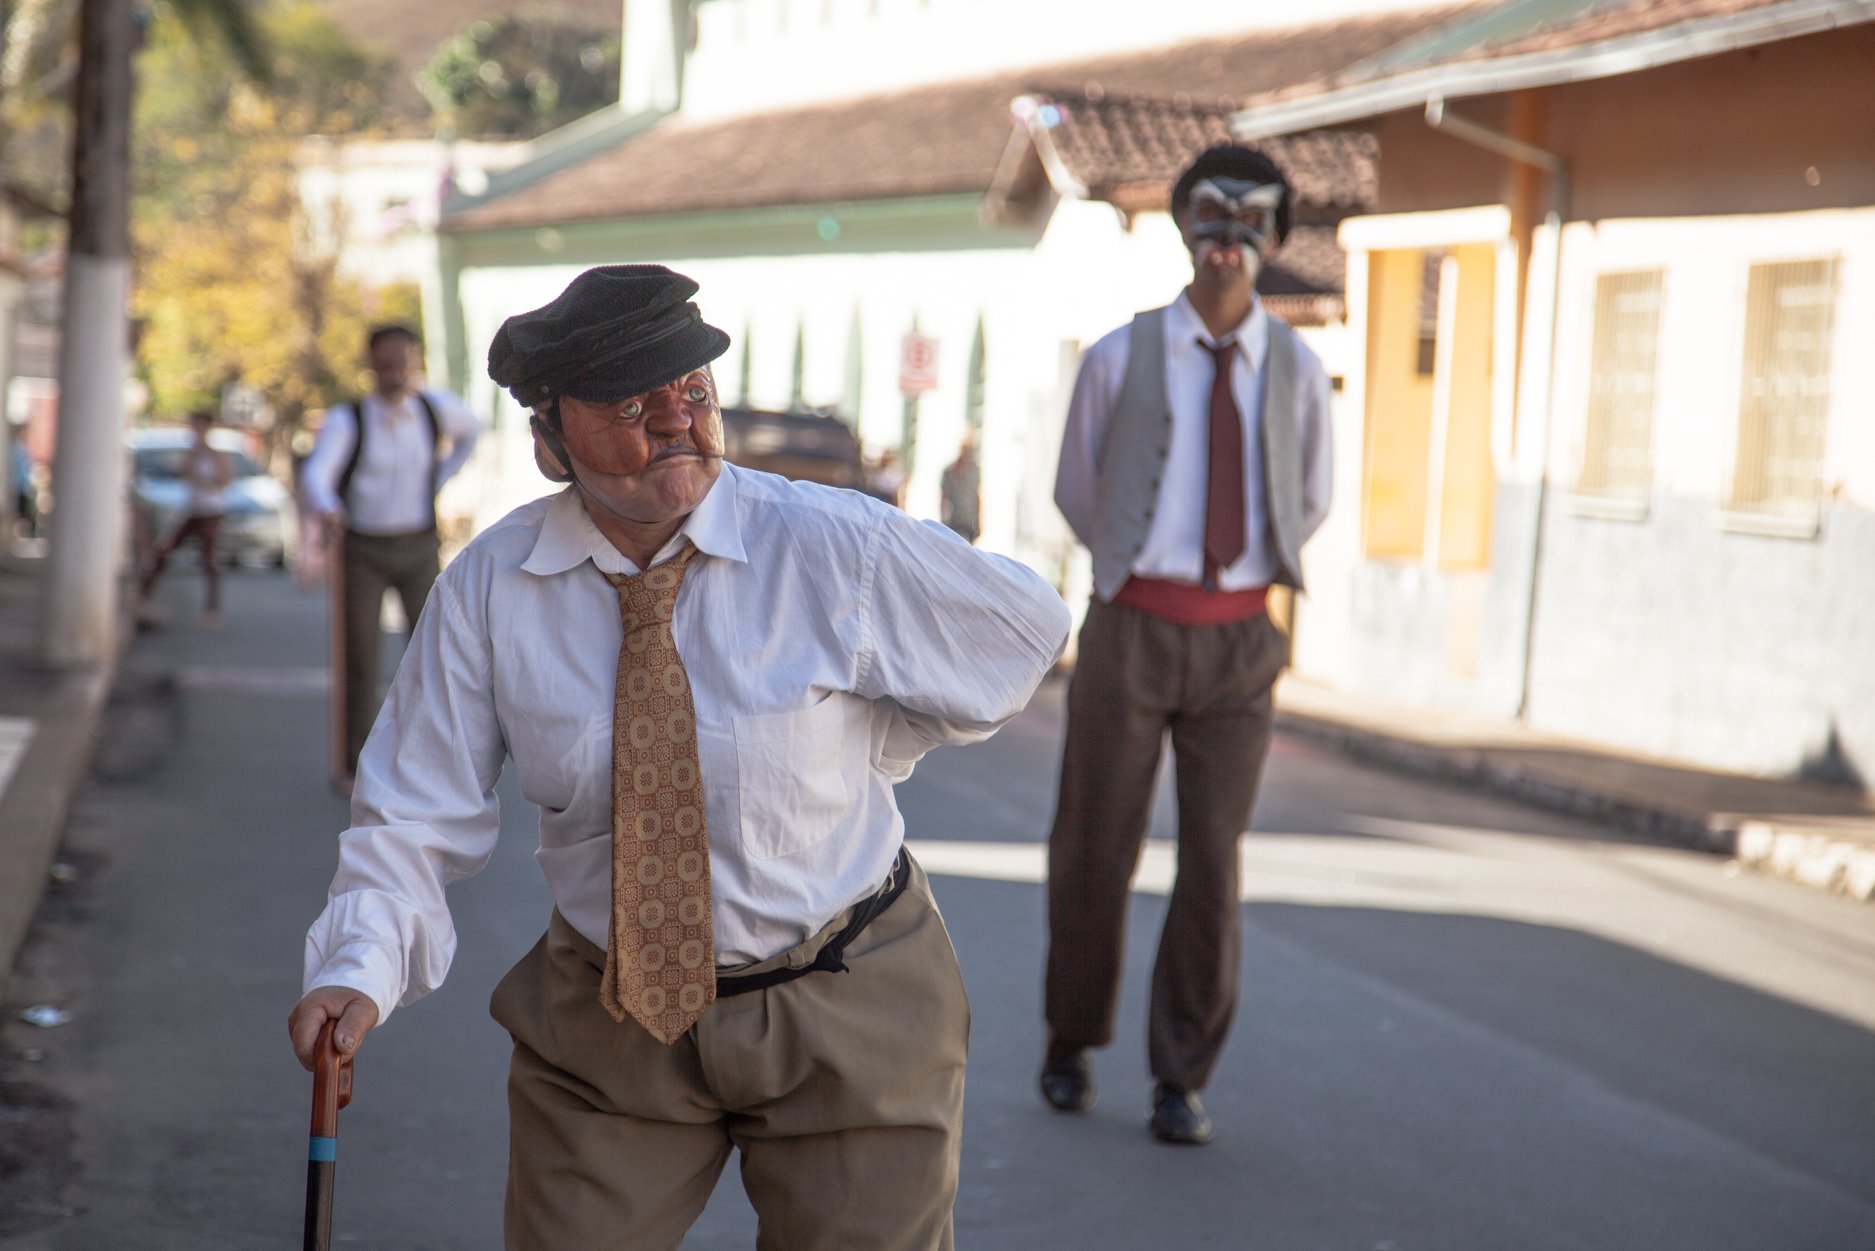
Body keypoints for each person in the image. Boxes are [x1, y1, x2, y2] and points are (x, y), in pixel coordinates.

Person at [287, 265, 1069, 1249]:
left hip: (847, 998)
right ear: (549, 443)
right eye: (630, 403)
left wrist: (880, 738)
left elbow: (1017, 635)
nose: (676, 422)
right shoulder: (493, 589)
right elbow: (412, 811)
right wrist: (356, 967)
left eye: (691, 393)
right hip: (606, 1022)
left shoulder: (829, 545)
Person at [1040, 144, 1333, 1145]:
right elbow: (1079, 489)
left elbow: (1310, 495)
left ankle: (1181, 1077)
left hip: (1241, 642)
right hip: (1131, 627)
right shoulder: (1120, 356)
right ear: (1182, 228)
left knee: (1214, 859)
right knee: (1095, 844)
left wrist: (1241, 578)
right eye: (1211, 218)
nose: (1229, 241)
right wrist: (1135, 564)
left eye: (1251, 221)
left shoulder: (1295, 368)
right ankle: (1070, 1039)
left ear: (1277, 238)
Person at [298, 324, 483, 787]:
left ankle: (429, 759)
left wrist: (440, 477)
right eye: (385, 361)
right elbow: (317, 475)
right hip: (362, 546)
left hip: (419, 544)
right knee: (359, 656)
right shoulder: (350, 419)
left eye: (403, 361)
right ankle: (353, 763)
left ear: (415, 362)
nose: (395, 371)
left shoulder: (434, 410)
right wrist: (329, 506)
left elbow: (473, 431)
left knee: (431, 651)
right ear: (372, 365)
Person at [137, 410, 234, 628]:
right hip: (193, 509)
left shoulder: (216, 454)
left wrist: (205, 473)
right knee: (164, 550)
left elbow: (223, 479)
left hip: (211, 511)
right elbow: (182, 472)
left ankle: (212, 609)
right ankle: (143, 595)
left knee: (208, 559)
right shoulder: (192, 453)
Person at [939, 430, 981, 545]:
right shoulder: (949, 471)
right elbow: (944, 496)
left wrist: (979, 521)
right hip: (954, 519)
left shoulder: (974, 471)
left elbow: (977, 495)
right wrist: (943, 518)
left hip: (969, 519)